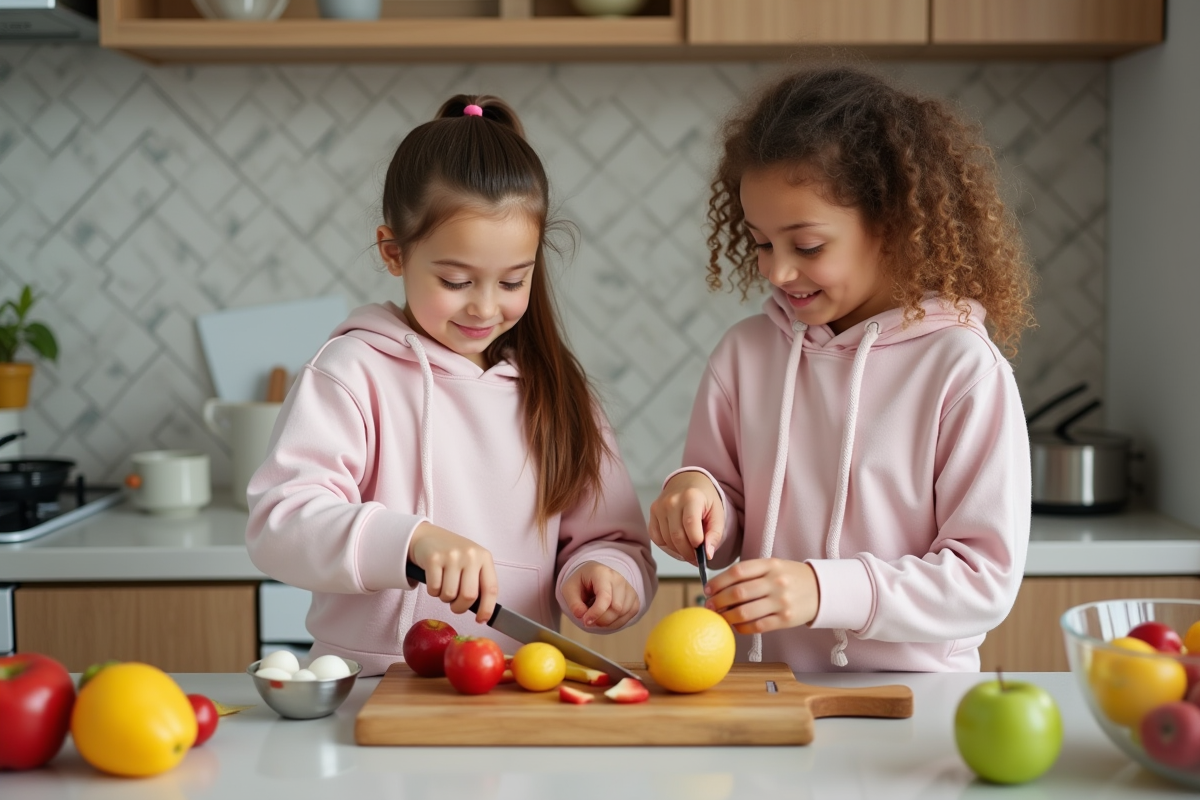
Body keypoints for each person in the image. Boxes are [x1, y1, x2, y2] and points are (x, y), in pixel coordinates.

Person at [246, 95, 656, 677]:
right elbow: (280, 524)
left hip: (514, 689)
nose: (485, 307)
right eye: (457, 280)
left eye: (513, 282)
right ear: (394, 252)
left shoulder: (557, 391)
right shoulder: (352, 371)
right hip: (368, 689)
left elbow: (614, 540)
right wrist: (410, 541)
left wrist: (606, 572)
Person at [649, 67, 1035, 672]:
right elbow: (725, 516)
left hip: (913, 700)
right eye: (761, 243)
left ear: (892, 226)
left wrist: (822, 589)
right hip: (769, 693)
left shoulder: (962, 369)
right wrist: (696, 495)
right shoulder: (745, 355)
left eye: (806, 246)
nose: (777, 272)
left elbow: (982, 582)